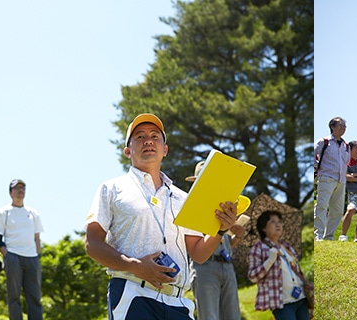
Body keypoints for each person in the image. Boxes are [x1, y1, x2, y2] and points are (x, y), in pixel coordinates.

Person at [83, 113, 237, 320]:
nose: (148, 140)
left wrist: (220, 230)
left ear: (165, 150)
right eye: (139, 136)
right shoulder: (111, 188)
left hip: (178, 301)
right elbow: (92, 243)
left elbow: (199, 254)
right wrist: (134, 265)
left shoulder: (183, 198)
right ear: (127, 151)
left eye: (155, 136)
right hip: (132, 293)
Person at [184, 168, 242, 320]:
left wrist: (238, 237)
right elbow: (195, 246)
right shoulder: (191, 208)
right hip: (204, 267)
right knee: (209, 316)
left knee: (233, 316)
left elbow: (228, 244)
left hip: (227, 266)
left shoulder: (224, 208)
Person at [0, 179, 45, 320]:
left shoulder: (33, 213)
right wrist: (7, 256)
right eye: (17, 188)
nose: (20, 190)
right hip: (13, 257)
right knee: (14, 296)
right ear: (10, 192)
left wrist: (38, 255)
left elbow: (37, 237)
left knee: (35, 296)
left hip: (32, 258)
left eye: (23, 188)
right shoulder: (3, 212)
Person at [248, 212, 310, 320]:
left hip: (301, 298)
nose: (278, 225)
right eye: (273, 222)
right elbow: (253, 276)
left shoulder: (286, 246)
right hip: (282, 303)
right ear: (263, 228)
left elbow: (297, 270)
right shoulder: (259, 248)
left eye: (279, 222)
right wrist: (270, 260)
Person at [312, 117, 349, 241]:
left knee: (338, 210)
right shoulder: (324, 141)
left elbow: (346, 163)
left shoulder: (346, 146)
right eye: (340, 125)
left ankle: (329, 236)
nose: (343, 128)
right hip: (326, 177)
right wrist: (315, 168)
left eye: (344, 126)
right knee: (322, 206)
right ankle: (318, 235)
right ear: (332, 127)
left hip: (341, 180)